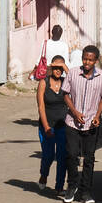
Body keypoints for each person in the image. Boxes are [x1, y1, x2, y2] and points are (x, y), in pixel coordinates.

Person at [62, 44, 102, 203]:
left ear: (96, 61)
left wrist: (97, 116)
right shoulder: (73, 74)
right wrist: (75, 112)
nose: (87, 62)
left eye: (90, 60)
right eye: (85, 59)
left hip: (91, 124)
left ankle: (86, 192)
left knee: (89, 158)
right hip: (72, 122)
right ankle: (71, 186)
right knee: (71, 154)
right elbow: (66, 95)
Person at [36, 55, 69, 194]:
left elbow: (73, 78)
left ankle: (59, 186)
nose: (58, 71)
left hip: (62, 125)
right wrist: (46, 126)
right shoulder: (44, 83)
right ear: (51, 68)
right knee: (48, 155)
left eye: (60, 68)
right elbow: (41, 107)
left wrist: (65, 67)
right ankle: (44, 175)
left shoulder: (66, 82)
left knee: (62, 156)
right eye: (55, 68)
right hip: (47, 125)